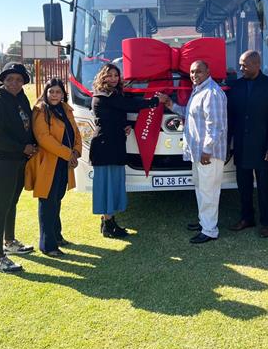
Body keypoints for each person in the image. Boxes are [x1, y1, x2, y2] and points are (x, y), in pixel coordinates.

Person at [157, 60, 228, 244]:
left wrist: (207, 150)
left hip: (208, 155)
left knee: (209, 192)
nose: (194, 75)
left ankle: (210, 231)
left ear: (208, 71)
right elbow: (188, 113)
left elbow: (216, 127)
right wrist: (169, 103)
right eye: (191, 72)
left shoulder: (211, 93)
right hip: (198, 153)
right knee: (201, 189)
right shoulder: (199, 91)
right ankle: (204, 222)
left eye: (198, 71)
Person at [90, 63, 161, 237]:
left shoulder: (111, 95)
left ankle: (107, 222)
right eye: (109, 75)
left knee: (113, 184)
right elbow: (129, 105)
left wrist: (125, 124)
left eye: (116, 75)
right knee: (108, 185)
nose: (113, 78)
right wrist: (155, 101)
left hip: (112, 144)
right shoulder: (105, 95)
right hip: (105, 147)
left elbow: (113, 115)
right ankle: (109, 225)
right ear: (103, 77)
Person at [0, 62, 37, 273]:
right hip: (0, 163)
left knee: (11, 203)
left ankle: (10, 242)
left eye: (18, 79)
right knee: (0, 207)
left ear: (24, 81)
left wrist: (31, 144)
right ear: (3, 80)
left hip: (17, 161)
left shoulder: (21, 98)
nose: (14, 83)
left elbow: (28, 126)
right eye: (10, 79)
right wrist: (23, 147)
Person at [226, 50, 268, 238]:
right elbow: (231, 118)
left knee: (264, 186)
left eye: (245, 65)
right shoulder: (236, 86)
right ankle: (247, 218)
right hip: (241, 145)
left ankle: (267, 222)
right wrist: (227, 144)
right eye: (240, 64)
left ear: (257, 65)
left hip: (262, 147)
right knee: (243, 185)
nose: (241, 68)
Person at [25, 78, 82, 257]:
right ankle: (47, 245)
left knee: (57, 199)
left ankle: (57, 236)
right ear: (46, 92)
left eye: (58, 92)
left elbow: (75, 132)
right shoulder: (40, 111)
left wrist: (76, 152)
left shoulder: (66, 109)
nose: (54, 95)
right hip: (48, 163)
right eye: (51, 92)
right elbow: (44, 138)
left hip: (63, 163)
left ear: (63, 93)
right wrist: (68, 153)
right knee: (48, 202)